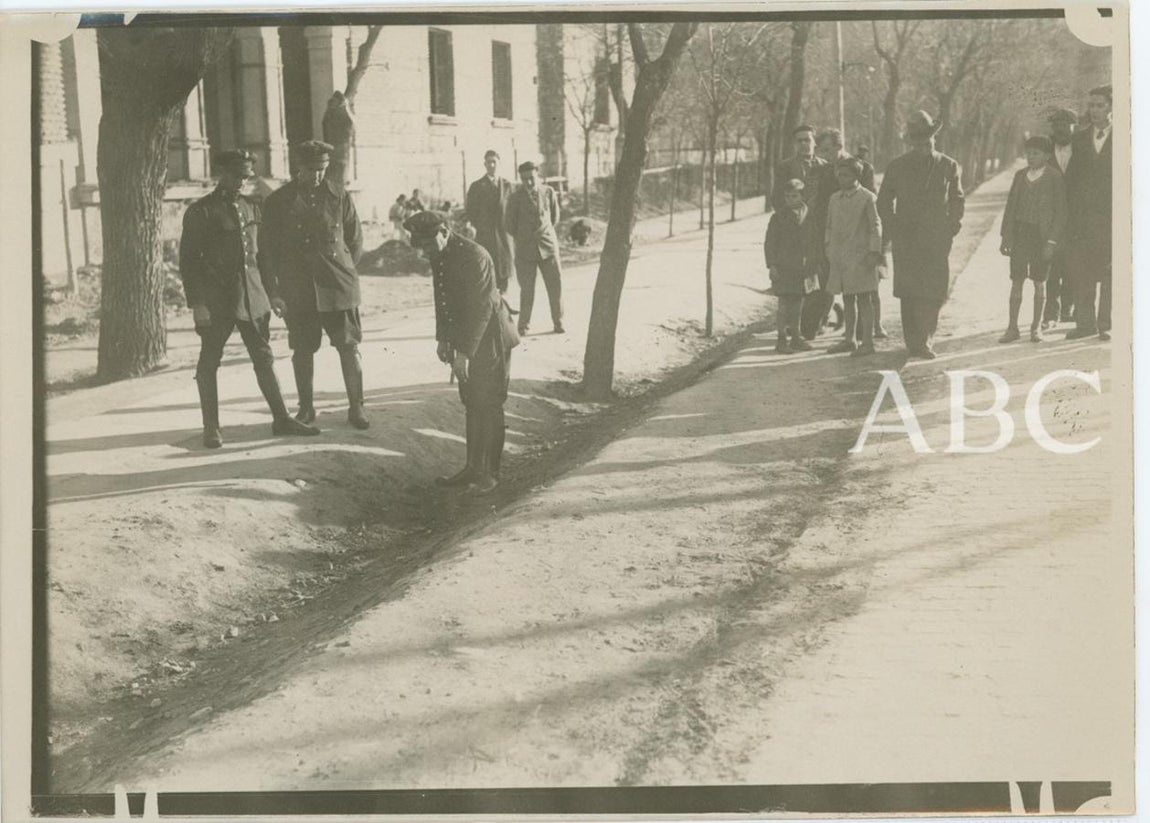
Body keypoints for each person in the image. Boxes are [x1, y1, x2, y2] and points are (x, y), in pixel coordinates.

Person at [179, 150, 320, 448]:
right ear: (223, 175)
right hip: (218, 302)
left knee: (264, 358)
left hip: (253, 298)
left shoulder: (251, 208)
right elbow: (189, 262)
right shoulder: (201, 211)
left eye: (246, 176)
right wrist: (198, 303)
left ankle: (281, 418)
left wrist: (274, 294)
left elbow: (262, 257)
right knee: (209, 362)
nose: (242, 181)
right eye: (237, 175)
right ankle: (211, 428)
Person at [404, 210, 520, 495]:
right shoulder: (440, 254)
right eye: (423, 247)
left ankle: (490, 474)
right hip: (467, 337)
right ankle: (472, 468)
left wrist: (464, 354)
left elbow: (480, 309)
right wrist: (443, 338)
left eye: (430, 245)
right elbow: (442, 297)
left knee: (489, 402)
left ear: (445, 231)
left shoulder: (474, 255)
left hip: (490, 336)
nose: (427, 252)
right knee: (471, 401)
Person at [259, 140, 369, 429]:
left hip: (337, 285)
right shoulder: (278, 201)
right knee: (303, 349)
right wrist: (275, 292)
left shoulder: (338, 196)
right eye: (311, 170)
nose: (318, 176)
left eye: (322, 169)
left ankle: (357, 407)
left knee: (348, 346)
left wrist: (341, 271)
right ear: (298, 168)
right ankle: (306, 409)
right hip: (299, 288)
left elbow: (355, 242)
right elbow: (267, 252)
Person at [876, 110, 965, 360]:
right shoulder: (897, 167)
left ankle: (926, 339)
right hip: (906, 238)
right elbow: (883, 201)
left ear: (934, 139)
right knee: (909, 290)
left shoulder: (948, 165)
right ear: (910, 143)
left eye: (927, 141)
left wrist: (951, 227)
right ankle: (913, 341)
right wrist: (893, 227)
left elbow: (957, 199)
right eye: (917, 143)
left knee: (934, 290)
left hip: (937, 238)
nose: (923, 147)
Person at [814, 128, 884, 341]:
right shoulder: (826, 171)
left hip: (861, 237)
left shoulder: (863, 168)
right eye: (821, 151)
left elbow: (872, 207)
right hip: (839, 241)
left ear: (839, 146)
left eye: (827, 149)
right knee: (847, 290)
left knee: (868, 288)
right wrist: (825, 244)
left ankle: (872, 329)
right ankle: (851, 336)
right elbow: (822, 208)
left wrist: (875, 247)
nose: (824, 155)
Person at [998, 136, 1067, 344]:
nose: (1030, 157)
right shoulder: (1020, 176)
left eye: (1035, 153)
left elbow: (1061, 213)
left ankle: (1036, 328)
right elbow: (1010, 207)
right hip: (1020, 235)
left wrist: (1052, 242)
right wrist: (1006, 236)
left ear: (1046, 156)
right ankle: (1012, 328)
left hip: (1041, 237)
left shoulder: (1055, 177)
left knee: (1039, 282)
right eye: (1028, 153)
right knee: (1016, 280)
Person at [1065, 85, 1113, 342]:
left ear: (1111, 107)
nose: (1094, 110)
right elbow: (1072, 179)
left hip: (1110, 218)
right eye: (1091, 105)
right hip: (1083, 219)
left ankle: (1106, 323)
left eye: (1100, 105)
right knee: (1082, 269)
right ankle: (1085, 323)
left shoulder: (1127, 136)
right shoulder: (1080, 139)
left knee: (1109, 271)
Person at [824, 156, 884, 357]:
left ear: (856, 176)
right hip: (840, 257)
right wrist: (828, 247)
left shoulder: (867, 197)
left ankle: (867, 342)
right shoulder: (834, 199)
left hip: (861, 257)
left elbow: (876, 226)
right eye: (839, 175)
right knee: (847, 299)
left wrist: (874, 252)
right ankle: (849, 339)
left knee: (864, 299)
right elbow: (829, 226)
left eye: (846, 175)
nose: (841, 178)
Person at [505, 160, 564, 335]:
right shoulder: (515, 198)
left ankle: (558, 321)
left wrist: (542, 234)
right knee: (527, 289)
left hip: (548, 247)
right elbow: (509, 225)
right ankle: (523, 325)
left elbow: (554, 218)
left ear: (537, 175)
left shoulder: (548, 192)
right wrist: (526, 236)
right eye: (524, 179)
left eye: (531, 178)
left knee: (555, 286)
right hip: (525, 250)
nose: (528, 182)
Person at [763, 178, 819, 354]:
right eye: (787, 196)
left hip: (803, 267)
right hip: (784, 266)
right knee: (784, 304)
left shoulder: (810, 215)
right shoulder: (778, 217)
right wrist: (772, 265)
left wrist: (814, 264)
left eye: (794, 196)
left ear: (802, 196)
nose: (790, 200)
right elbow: (769, 243)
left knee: (798, 303)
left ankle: (796, 337)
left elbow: (815, 242)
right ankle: (781, 340)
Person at [1044, 108, 1078, 327]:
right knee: (1052, 265)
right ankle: (1050, 313)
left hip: (1076, 217)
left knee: (1072, 264)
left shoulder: (1082, 148)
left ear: (1073, 127)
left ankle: (1067, 308)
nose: (1061, 130)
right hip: (1051, 217)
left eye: (1065, 125)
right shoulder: (1045, 151)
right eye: (1057, 125)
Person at [465, 149, 515, 293]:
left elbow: (513, 209)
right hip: (486, 234)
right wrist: (479, 226)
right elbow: (471, 211)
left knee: (504, 270)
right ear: (484, 164)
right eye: (489, 162)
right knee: (488, 270)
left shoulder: (507, 186)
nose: (492, 165)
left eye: (494, 162)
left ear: (499, 163)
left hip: (504, 235)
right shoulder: (477, 186)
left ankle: (504, 301)